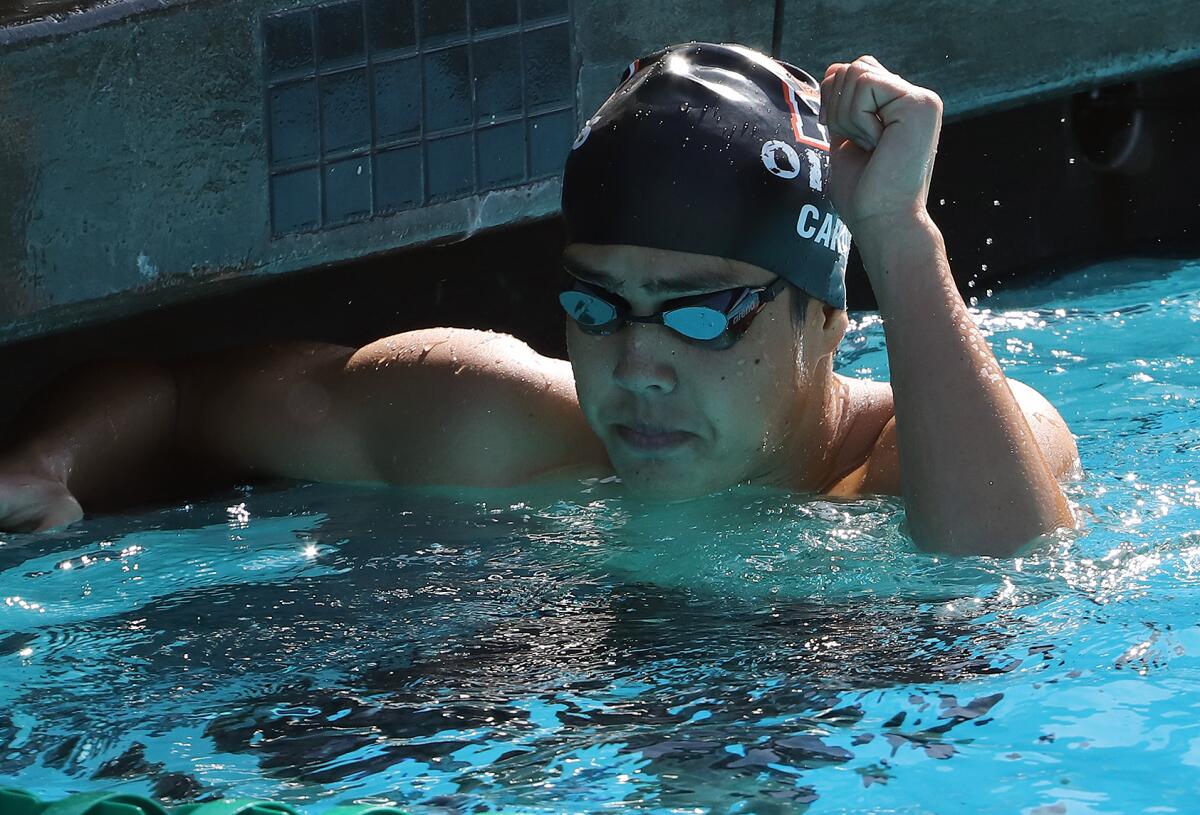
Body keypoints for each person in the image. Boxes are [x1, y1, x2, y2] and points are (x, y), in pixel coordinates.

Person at [0, 44, 1078, 555]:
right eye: (600, 307)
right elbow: (180, 395)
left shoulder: (920, 457)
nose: (638, 364)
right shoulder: (497, 418)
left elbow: (1003, 573)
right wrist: (47, 465)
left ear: (829, 315)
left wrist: (897, 232)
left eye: (703, 313)